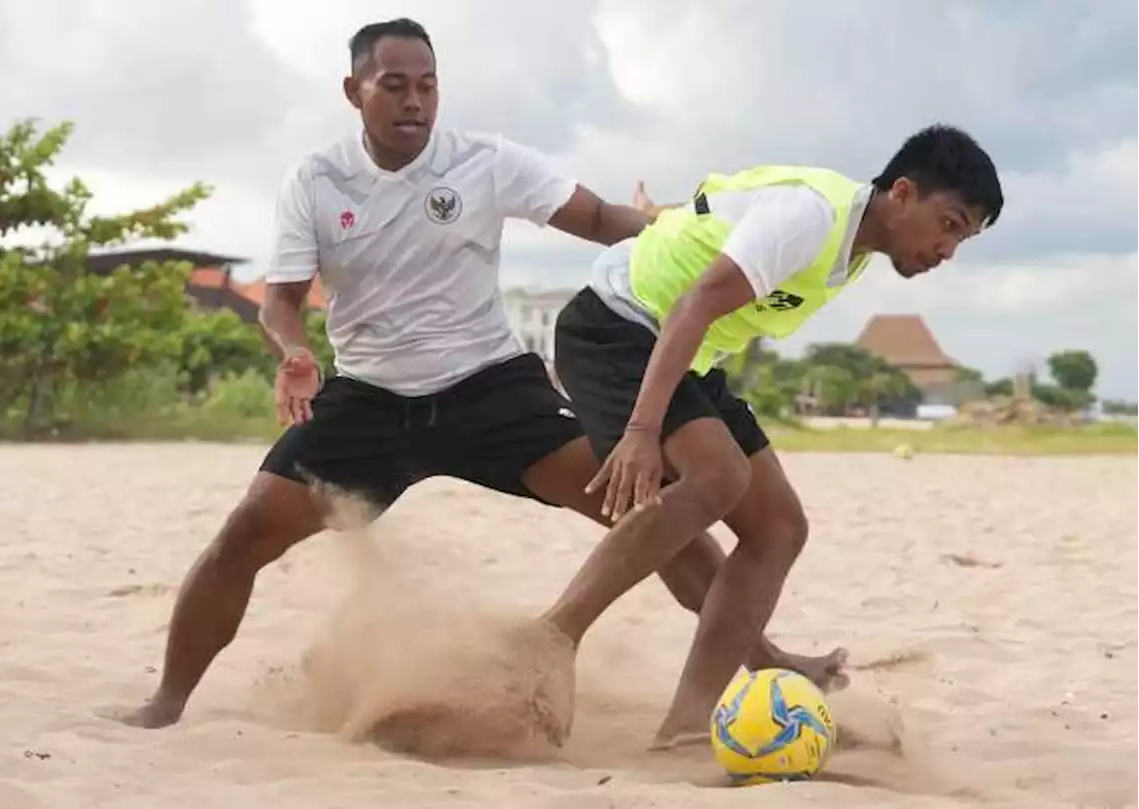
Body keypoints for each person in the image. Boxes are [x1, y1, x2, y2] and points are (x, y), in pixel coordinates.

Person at [118, 16, 844, 730]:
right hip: (369, 400)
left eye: (428, 86)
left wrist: (663, 223)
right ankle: (167, 702)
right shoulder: (316, 180)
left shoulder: (485, 161)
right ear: (353, 90)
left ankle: (766, 662)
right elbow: (278, 301)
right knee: (244, 533)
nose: (414, 101)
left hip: (492, 391)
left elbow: (595, 216)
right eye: (394, 85)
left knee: (647, 505)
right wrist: (294, 352)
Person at [539, 124, 1004, 749]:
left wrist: (671, 219)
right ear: (901, 193)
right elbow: (694, 303)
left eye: (963, 239)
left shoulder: (855, 248)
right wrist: (643, 430)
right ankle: (555, 636)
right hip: (615, 329)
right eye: (949, 224)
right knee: (717, 477)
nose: (949, 250)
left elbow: (724, 209)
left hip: (686, 354)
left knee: (780, 526)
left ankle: (685, 726)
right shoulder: (814, 217)